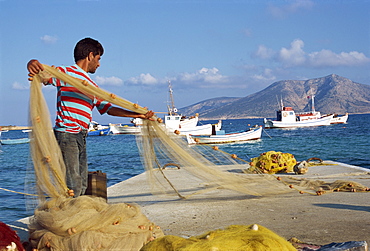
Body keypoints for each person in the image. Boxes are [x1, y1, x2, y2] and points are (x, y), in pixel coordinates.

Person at [27, 37, 154, 197]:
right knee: (72, 184)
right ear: (90, 55)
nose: (99, 64)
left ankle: (75, 217)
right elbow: (43, 74)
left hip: (81, 136)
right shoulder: (66, 73)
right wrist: (32, 63)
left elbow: (108, 108)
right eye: (98, 59)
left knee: (81, 183)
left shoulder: (92, 85)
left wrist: (138, 115)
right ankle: (69, 218)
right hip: (67, 134)